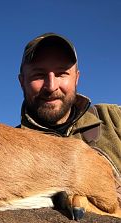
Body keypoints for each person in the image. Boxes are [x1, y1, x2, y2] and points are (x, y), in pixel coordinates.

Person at [17, 32, 120, 202]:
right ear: (22, 81)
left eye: (61, 73)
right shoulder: (12, 146)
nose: (51, 86)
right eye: (38, 75)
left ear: (76, 78)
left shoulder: (113, 118)